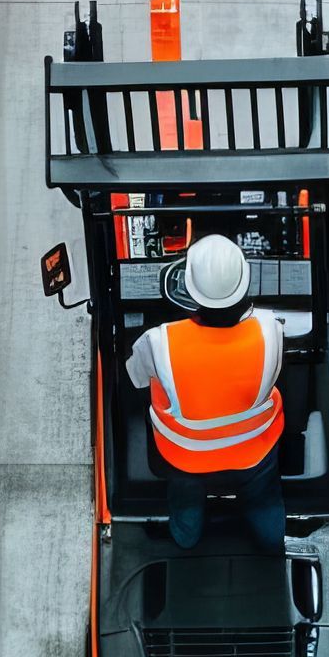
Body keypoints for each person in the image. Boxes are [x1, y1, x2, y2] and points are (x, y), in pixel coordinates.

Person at [125, 235, 287, 553]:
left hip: (185, 453)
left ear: (188, 287)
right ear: (245, 280)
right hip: (255, 448)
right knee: (263, 494)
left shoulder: (158, 341)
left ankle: (187, 536)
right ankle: (271, 539)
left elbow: (135, 379)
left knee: (185, 496)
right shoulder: (271, 329)